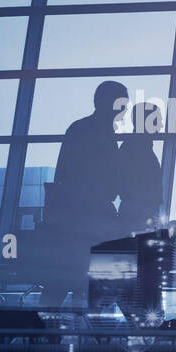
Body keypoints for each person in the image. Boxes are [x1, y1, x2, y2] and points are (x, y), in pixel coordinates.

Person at [37, 80, 126, 309]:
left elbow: (64, 173)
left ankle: (42, 327)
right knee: (77, 274)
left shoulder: (83, 129)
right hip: (85, 215)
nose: (123, 109)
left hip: (79, 215)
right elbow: (89, 176)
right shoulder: (94, 132)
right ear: (103, 102)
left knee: (65, 277)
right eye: (120, 103)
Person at [116, 101, 164, 235]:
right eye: (158, 120)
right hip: (140, 215)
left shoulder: (133, 146)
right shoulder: (138, 149)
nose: (161, 125)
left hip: (139, 213)